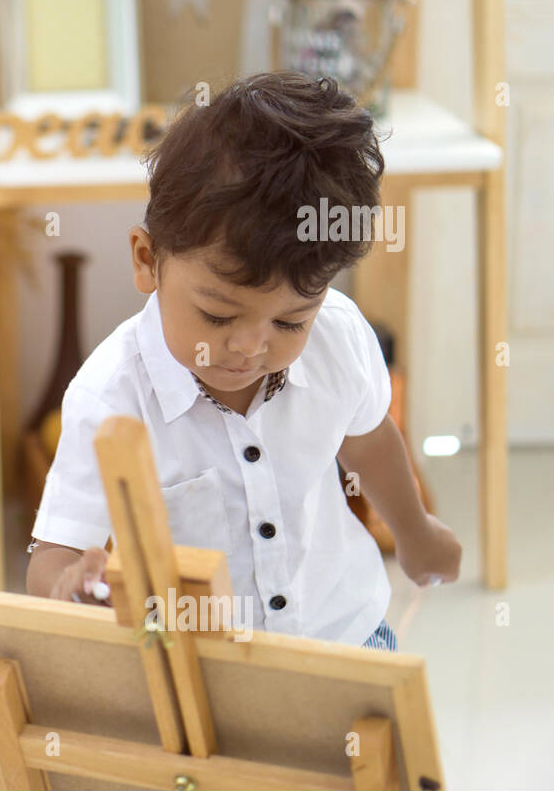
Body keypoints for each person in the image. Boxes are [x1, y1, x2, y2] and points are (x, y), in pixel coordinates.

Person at [26, 73, 462, 650]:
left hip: (347, 634)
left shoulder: (338, 335)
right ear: (146, 259)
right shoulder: (111, 397)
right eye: (217, 316)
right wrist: (68, 591)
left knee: (380, 740)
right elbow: (54, 551)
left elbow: (370, 439)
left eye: (289, 322)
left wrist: (415, 531)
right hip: (201, 668)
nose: (251, 347)